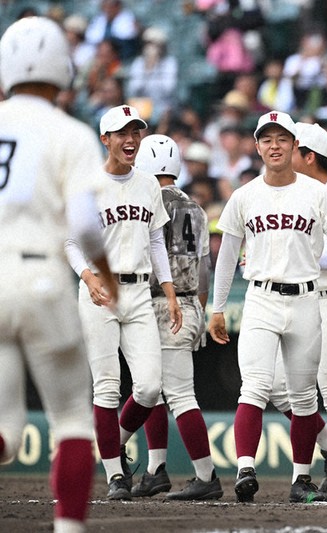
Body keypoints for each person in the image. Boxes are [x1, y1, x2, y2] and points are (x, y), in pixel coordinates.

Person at [0, 16, 118, 533]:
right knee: (71, 421)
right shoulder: (69, 133)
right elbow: (86, 227)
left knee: (5, 433)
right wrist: (107, 273)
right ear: (63, 71)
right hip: (43, 276)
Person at [208, 111, 327, 504]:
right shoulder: (245, 195)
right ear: (257, 147)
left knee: (304, 397)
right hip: (261, 297)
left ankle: (301, 477)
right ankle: (245, 468)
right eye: (266, 139)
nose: (274, 145)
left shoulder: (318, 193)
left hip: (307, 299)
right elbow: (226, 256)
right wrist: (217, 306)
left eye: (282, 139)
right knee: (253, 387)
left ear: (293, 146)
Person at [65, 104, 183, 501]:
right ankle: (117, 475)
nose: (130, 139)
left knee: (150, 387)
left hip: (137, 291)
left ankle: (110, 444)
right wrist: (87, 274)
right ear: (105, 140)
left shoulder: (149, 183)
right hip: (99, 292)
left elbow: (155, 240)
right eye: (121, 133)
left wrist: (168, 288)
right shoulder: (87, 183)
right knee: (107, 389)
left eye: (135, 132)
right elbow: (69, 241)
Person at [127, 134, 223, 501]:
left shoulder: (144, 201)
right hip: (187, 303)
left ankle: (206, 475)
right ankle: (154, 470)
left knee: (178, 395)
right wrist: (197, 309)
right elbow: (204, 270)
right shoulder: (197, 209)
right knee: (154, 391)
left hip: (153, 302)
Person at [271, 122, 327, 502]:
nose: (284, 155)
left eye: (293, 149)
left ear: (309, 156)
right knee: (286, 387)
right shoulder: (298, 192)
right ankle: (309, 468)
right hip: (305, 299)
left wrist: (285, 252)